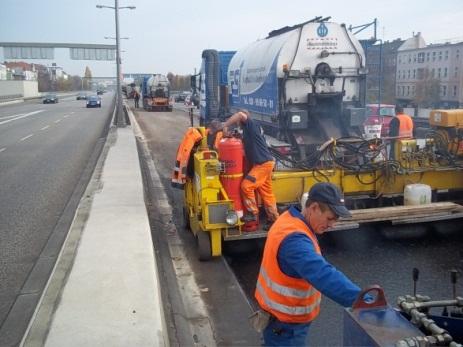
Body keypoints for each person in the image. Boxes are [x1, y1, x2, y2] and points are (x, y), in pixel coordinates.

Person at [254, 182, 365, 346]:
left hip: (278, 320)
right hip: (286, 327)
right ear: (313, 207)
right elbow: (323, 275)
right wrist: (364, 302)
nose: (332, 225)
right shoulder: (295, 241)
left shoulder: (290, 219)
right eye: (329, 218)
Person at [220, 110, 279, 225]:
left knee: (246, 186)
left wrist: (225, 125)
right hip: (266, 163)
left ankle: (253, 213)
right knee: (267, 193)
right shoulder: (249, 130)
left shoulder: (251, 124)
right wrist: (236, 136)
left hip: (263, 164)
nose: (237, 123)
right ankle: (274, 220)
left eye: (237, 121)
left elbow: (241, 115)